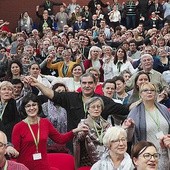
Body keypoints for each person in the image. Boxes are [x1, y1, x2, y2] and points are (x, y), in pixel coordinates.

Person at [23, 73, 129, 151]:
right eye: (84, 83)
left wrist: (142, 99)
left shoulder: (104, 100)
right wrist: (37, 84)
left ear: (96, 84)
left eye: (90, 83)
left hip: (97, 146)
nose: (87, 85)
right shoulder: (71, 97)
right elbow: (52, 94)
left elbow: (125, 109)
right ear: (80, 84)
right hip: (74, 145)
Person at [12, 93, 88, 170]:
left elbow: (60, 139)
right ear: (24, 109)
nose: (31, 108)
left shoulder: (45, 122)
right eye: (28, 106)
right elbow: (15, 152)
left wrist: (76, 130)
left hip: (43, 166)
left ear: (38, 106)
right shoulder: (18, 127)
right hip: (25, 166)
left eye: (34, 105)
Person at [127, 82, 170, 168]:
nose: (149, 92)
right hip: (147, 154)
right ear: (140, 94)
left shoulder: (164, 109)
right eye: (145, 90)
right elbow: (129, 138)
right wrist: (130, 128)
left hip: (166, 151)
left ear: (156, 93)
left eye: (152, 90)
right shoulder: (135, 112)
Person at [74, 97, 111, 167]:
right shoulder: (83, 123)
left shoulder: (107, 124)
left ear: (101, 109)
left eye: (98, 106)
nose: (96, 109)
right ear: (88, 110)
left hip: (106, 160)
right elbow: (79, 137)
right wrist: (83, 133)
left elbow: (113, 137)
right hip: (88, 161)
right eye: (93, 107)